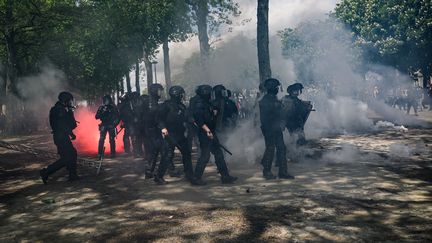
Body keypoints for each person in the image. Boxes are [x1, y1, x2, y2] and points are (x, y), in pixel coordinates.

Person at [192, 84, 237, 185]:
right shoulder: (200, 105)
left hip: (211, 132)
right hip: (205, 134)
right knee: (205, 156)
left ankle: (225, 176)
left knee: (219, 154)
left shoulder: (207, 103)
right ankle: (196, 177)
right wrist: (207, 130)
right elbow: (199, 120)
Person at [154, 86, 195, 185]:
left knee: (186, 153)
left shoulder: (181, 105)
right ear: (177, 94)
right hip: (170, 134)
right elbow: (158, 118)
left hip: (180, 134)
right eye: (181, 94)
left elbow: (186, 117)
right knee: (167, 155)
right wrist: (163, 128)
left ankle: (189, 175)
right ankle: (159, 177)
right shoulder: (166, 105)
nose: (182, 96)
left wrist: (190, 120)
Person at [39, 91, 78, 184]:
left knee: (71, 154)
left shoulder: (59, 109)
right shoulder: (60, 110)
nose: (70, 103)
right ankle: (46, 172)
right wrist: (71, 133)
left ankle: (72, 175)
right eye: (69, 101)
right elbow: (63, 125)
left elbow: (69, 124)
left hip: (60, 136)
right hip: (61, 137)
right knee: (67, 157)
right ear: (65, 100)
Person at [259, 78, 294, 180]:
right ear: (272, 88)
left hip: (276, 128)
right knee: (270, 149)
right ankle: (267, 172)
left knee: (281, 149)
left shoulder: (273, 99)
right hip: (269, 129)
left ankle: (283, 172)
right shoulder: (265, 100)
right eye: (276, 87)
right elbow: (266, 118)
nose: (278, 89)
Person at [143, 83, 166, 178]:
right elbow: (155, 118)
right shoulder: (152, 103)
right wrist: (162, 127)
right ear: (154, 91)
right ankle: (156, 174)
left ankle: (149, 172)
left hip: (150, 130)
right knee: (163, 151)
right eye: (159, 91)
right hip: (153, 131)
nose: (161, 93)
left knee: (154, 151)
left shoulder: (151, 101)